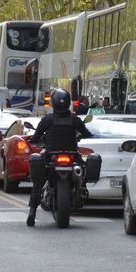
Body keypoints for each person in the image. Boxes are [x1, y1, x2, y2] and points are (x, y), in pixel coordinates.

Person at [26, 88, 93, 227]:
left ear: (53, 103)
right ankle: (81, 190)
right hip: (72, 155)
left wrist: (33, 139)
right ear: (68, 102)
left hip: (51, 155)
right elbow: (86, 133)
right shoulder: (74, 120)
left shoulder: (47, 120)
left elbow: (36, 136)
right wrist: (84, 135)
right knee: (82, 169)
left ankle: (32, 212)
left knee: (38, 183)